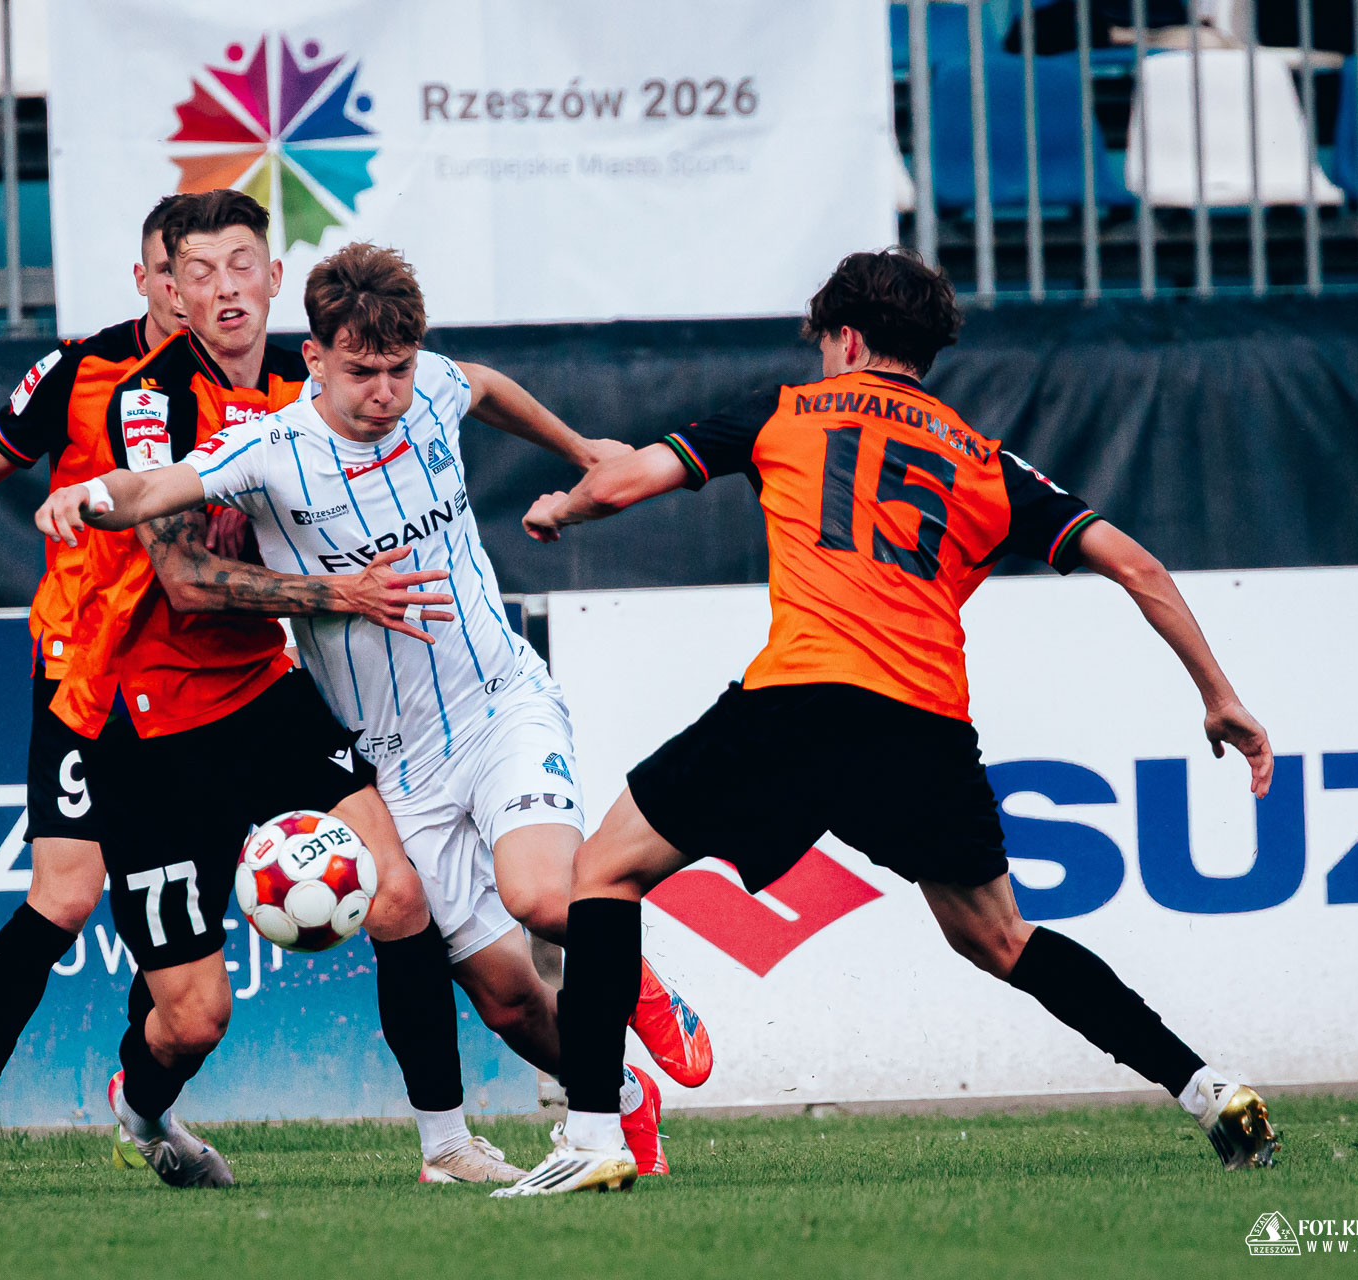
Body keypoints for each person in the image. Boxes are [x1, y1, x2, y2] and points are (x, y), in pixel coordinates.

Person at [491, 247, 1281, 1196]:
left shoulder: (786, 410)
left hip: (797, 704)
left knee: (604, 875)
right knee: (1001, 938)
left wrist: (563, 508)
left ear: (849, 339)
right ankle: (1207, 1089)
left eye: (826, 342)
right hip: (923, 730)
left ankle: (592, 1136)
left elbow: (624, 482)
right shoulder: (985, 460)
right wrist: (1220, 697)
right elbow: (1139, 567)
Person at [36, 235, 717, 1179]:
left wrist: (577, 449)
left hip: (499, 704)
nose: (387, 391)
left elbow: (484, 385)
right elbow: (157, 485)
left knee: (543, 896)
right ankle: (623, 1098)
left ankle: (635, 984)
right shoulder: (273, 449)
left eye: (398, 368)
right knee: (507, 999)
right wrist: (90, 496)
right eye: (362, 372)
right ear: (315, 359)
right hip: (396, 759)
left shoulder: (429, 386)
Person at [0, 195, 191, 1177]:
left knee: (184, 903)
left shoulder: (261, 380)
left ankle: (139, 1103)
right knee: (64, 896)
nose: (187, 289)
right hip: (83, 666)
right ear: (144, 278)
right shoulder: (80, 368)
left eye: (203, 271)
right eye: (170, 270)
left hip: (200, 676)